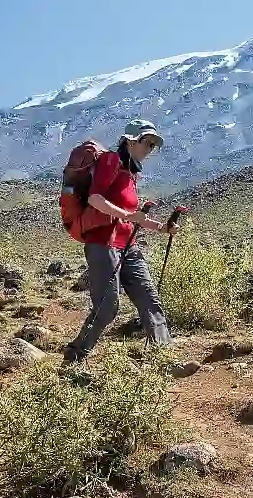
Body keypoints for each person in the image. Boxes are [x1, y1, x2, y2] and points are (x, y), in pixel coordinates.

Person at [64, 119, 179, 363]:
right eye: (146, 142)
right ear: (129, 140)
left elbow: (133, 218)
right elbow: (95, 199)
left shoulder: (131, 173)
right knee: (107, 308)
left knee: (150, 299)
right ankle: (74, 357)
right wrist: (128, 215)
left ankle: (164, 358)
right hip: (102, 244)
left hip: (129, 246)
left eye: (153, 145)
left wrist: (162, 227)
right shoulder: (111, 161)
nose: (149, 148)